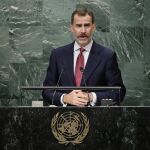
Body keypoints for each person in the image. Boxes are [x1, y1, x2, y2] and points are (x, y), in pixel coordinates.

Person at [42, 7, 126, 106]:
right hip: (64, 117)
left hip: (97, 117)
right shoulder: (58, 54)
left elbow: (119, 92)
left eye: (87, 25)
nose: (83, 30)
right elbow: (46, 91)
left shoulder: (107, 55)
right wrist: (65, 98)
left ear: (93, 27)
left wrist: (91, 97)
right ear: (72, 28)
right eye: (78, 26)